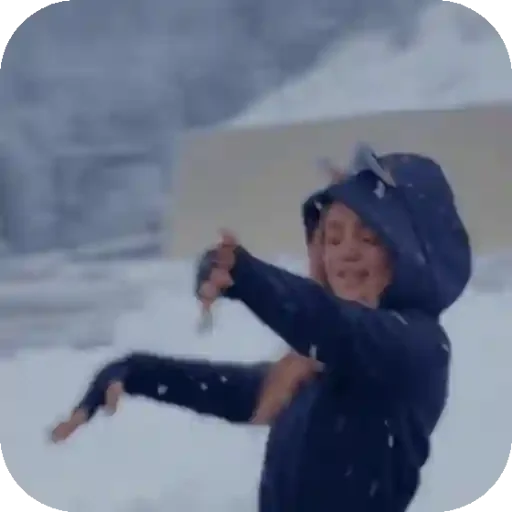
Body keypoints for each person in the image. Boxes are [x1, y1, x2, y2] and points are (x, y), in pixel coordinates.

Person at [51, 144, 471, 511]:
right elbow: (233, 389)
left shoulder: (416, 346)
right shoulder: (313, 366)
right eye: (333, 238)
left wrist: (246, 276)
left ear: (407, 252)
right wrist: (134, 371)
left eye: (369, 238)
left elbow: (331, 325)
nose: (345, 254)